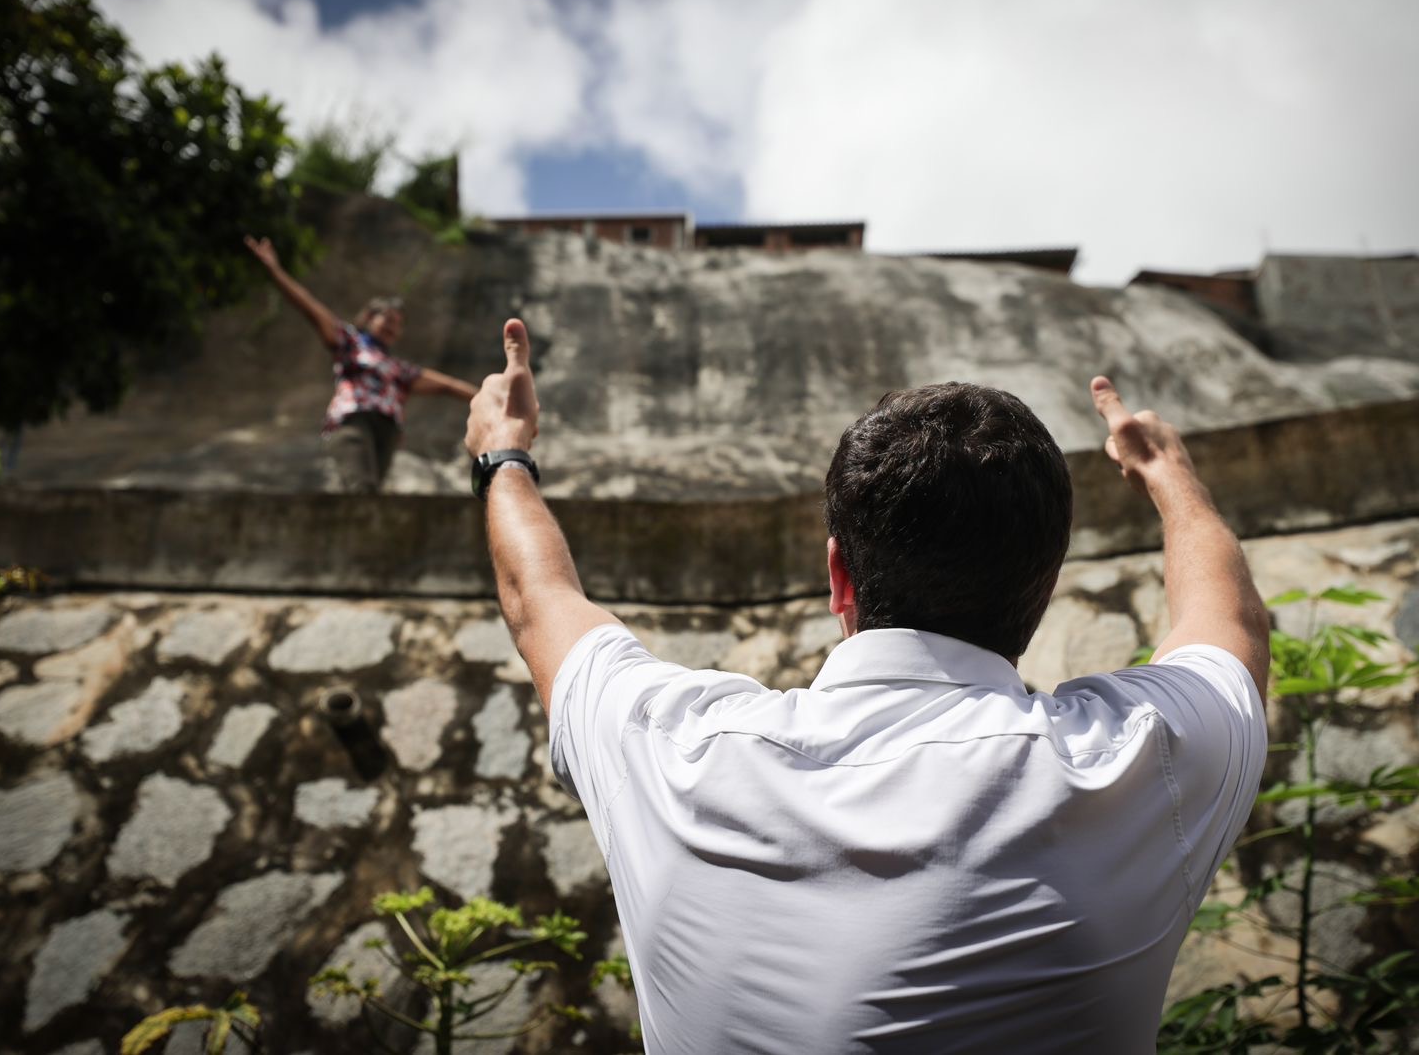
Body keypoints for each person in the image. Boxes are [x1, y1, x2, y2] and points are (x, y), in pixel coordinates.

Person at [466, 318, 1270, 1053]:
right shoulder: (1137, 763)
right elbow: (1230, 624)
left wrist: (504, 454)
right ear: (1045, 583)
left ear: (837, 576)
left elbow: (540, 603)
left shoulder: (673, 748)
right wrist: (1167, 474)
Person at [244, 235, 480, 492]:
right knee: (361, 486)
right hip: (354, 421)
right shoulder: (349, 342)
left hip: (388, 431)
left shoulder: (397, 368)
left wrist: (492, 400)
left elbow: (449, 385)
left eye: (398, 323)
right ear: (369, 318)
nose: (393, 326)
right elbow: (309, 306)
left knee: (372, 492)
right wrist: (275, 270)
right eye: (387, 318)